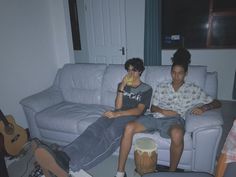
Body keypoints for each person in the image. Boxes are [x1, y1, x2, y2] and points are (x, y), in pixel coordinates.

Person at [33, 58, 153, 177]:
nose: (131, 74)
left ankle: (73, 166)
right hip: (116, 113)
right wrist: (121, 88)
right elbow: (117, 106)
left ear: (140, 72)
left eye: (134, 71)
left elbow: (139, 110)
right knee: (93, 130)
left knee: (109, 134)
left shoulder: (146, 88)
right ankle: (63, 156)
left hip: (131, 117)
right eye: (129, 70)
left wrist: (117, 114)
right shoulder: (122, 85)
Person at [115, 48, 222, 177]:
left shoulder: (193, 89)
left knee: (177, 134)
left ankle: (171, 173)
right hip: (154, 117)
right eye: (173, 72)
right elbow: (153, 107)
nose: (176, 76)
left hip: (174, 121)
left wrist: (203, 108)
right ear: (170, 72)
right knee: (129, 127)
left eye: (180, 73)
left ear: (186, 73)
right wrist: (163, 111)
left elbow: (217, 102)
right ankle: (120, 172)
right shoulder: (162, 86)